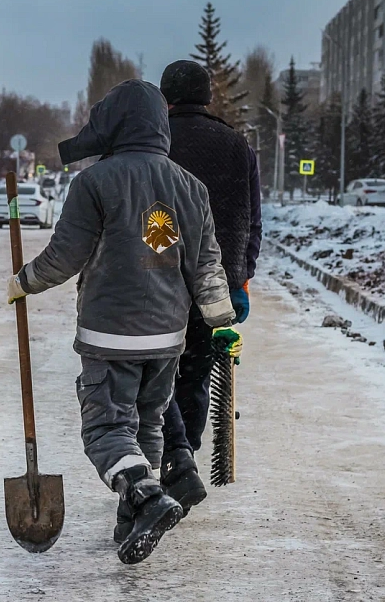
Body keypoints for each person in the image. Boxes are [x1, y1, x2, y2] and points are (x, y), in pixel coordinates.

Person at [6, 80, 240, 564]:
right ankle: (131, 516)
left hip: (109, 333)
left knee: (106, 428)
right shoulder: (188, 185)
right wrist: (221, 321)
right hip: (168, 337)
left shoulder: (95, 182)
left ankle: (144, 494)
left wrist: (24, 282)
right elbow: (206, 264)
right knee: (148, 421)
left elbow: (65, 255)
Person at [110, 60, 259, 539]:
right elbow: (253, 219)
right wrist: (241, 278)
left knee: (154, 377)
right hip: (219, 280)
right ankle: (184, 461)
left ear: (163, 98)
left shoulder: (155, 143)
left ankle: (170, 466)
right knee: (193, 375)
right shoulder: (239, 145)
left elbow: (148, 213)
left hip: (162, 277)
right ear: (208, 96)